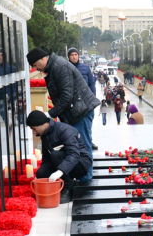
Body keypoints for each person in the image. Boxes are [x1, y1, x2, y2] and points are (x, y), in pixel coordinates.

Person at [27, 48, 99, 182]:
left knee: (83, 145)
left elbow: (67, 96)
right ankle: (81, 177)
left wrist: (49, 113)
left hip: (80, 111)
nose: (36, 69)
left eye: (36, 65)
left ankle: (86, 180)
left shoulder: (59, 67)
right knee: (78, 144)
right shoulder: (53, 67)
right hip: (74, 112)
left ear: (42, 59)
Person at [26, 111, 92, 203]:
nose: (33, 132)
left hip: (81, 163)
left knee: (55, 155)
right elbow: (46, 158)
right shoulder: (44, 135)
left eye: (34, 128)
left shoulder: (64, 130)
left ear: (41, 124)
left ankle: (67, 188)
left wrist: (60, 171)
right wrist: (42, 177)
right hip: (64, 161)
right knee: (41, 173)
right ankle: (59, 185)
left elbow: (74, 154)